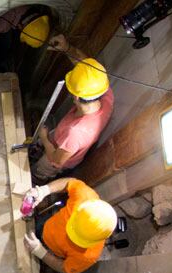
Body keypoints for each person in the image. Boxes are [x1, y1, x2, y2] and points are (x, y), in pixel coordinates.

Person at [32, 35, 115, 182]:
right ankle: (35, 151)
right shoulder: (105, 95)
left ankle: (36, 178)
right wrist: (67, 48)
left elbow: (56, 160)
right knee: (42, 142)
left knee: (40, 169)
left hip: (56, 159)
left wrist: (44, 138)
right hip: (60, 137)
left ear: (75, 97)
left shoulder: (76, 132)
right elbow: (87, 70)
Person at [22, 177, 117, 273]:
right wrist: (43, 190)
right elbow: (69, 183)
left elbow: (64, 267)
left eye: (77, 238)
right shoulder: (84, 197)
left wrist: (40, 252)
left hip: (50, 250)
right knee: (36, 224)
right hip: (48, 223)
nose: (69, 235)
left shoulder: (89, 256)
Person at [0, 6, 51, 74]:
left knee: (6, 45)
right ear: (22, 26)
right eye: (21, 30)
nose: (19, 29)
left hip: (6, 26)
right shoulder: (4, 22)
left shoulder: (27, 8)